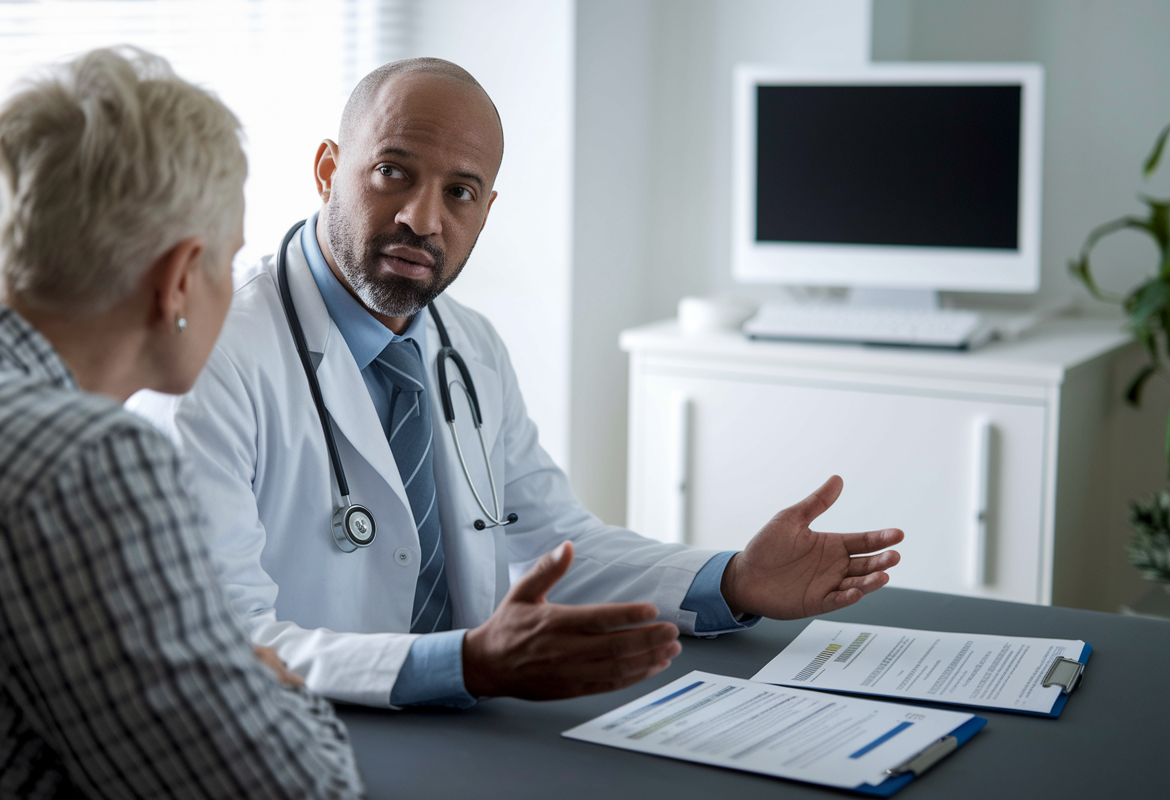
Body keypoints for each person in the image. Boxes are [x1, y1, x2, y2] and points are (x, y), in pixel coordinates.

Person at [129, 57, 904, 710]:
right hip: (304, 731)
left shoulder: (470, 346)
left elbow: (555, 547)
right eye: (393, 172)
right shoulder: (208, 356)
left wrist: (733, 580)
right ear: (330, 169)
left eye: (460, 193)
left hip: (467, 726)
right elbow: (223, 635)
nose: (423, 219)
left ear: (487, 209)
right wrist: (459, 664)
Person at [0, 47, 362, 799]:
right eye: (229, 260)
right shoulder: (85, 463)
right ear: (179, 278)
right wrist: (268, 688)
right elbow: (292, 791)